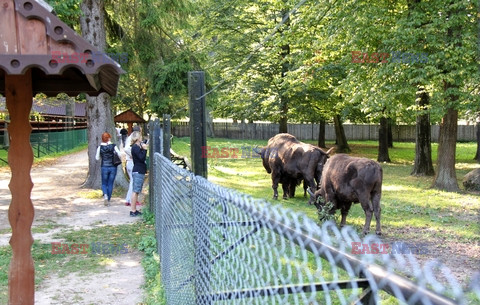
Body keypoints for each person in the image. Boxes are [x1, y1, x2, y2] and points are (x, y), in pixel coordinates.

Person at [95, 132, 122, 206]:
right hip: (113, 167)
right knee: (110, 183)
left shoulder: (100, 147)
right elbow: (119, 154)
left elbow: (97, 158)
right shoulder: (113, 146)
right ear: (109, 138)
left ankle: (105, 196)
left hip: (104, 166)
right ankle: (109, 199)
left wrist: (102, 156)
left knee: (104, 183)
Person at [129, 131, 148, 217]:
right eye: (140, 136)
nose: (141, 138)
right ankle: (133, 210)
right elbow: (141, 157)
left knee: (136, 191)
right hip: (138, 170)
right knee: (135, 191)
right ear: (137, 138)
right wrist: (144, 150)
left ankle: (134, 209)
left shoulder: (137, 147)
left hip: (139, 170)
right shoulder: (135, 147)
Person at [123, 125, 142, 206]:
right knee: (133, 182)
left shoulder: (131, 138)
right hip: (131, 162)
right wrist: (133, 154)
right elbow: (126, 149)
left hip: (131, 162)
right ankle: (130, 200)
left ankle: (130, 199)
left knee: (133, 181)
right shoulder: (132, 138)